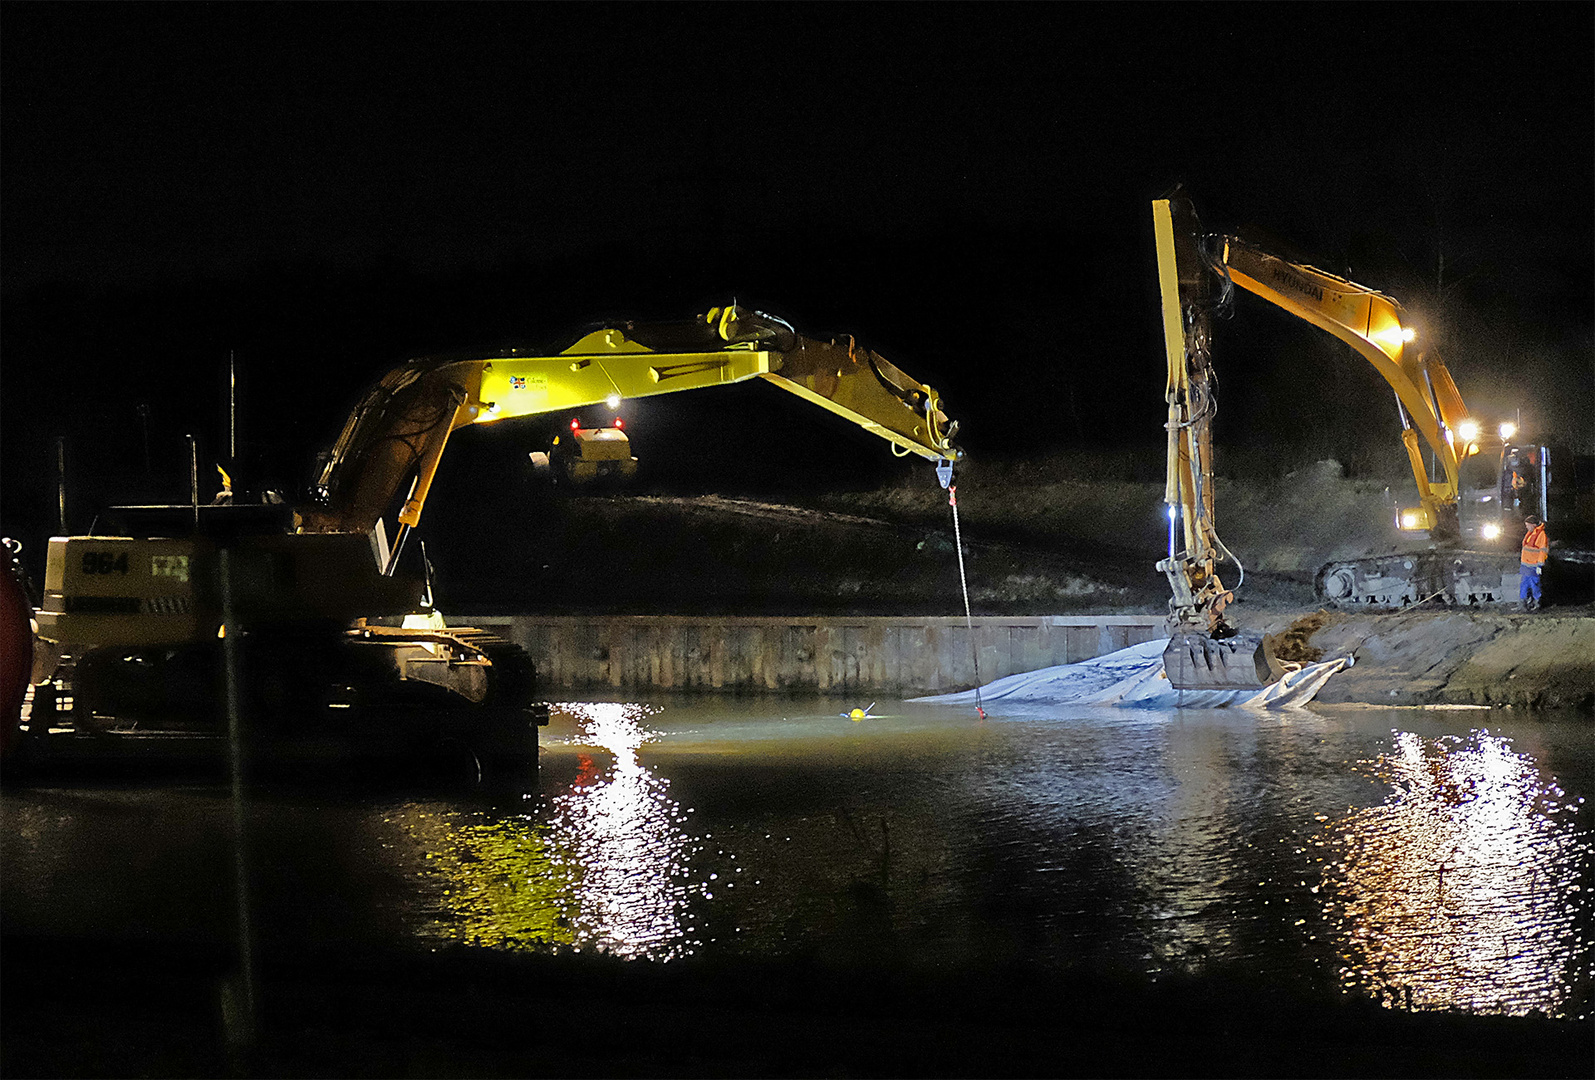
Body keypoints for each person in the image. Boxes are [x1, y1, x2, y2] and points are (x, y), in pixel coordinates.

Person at [1519, 514, 1548, 612]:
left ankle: (1536, 603)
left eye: (1527, 525)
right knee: (1524, 584)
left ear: (1533, 525)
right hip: (1526, 565)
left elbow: (1542, 551)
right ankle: (1523, 603)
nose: (1526, 527)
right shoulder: (1531, 533)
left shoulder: (1541, 535)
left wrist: (1540, 565)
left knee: (1534, 584)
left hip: (1533, 566)